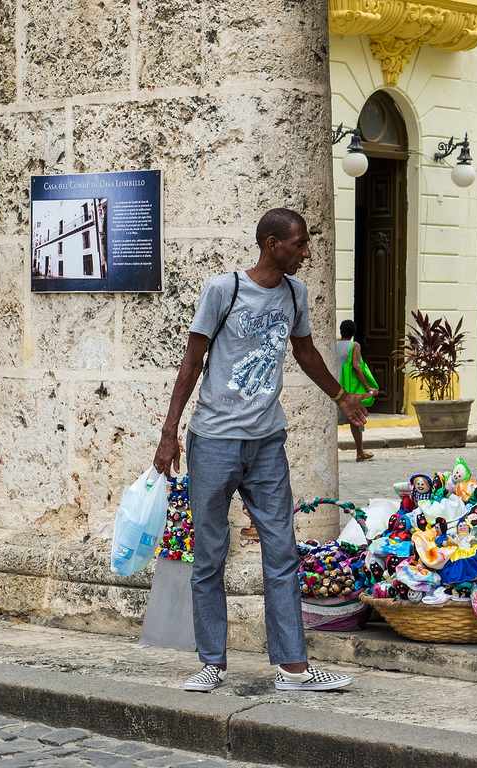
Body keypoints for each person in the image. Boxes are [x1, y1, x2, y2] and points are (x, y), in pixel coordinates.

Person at [153, 208, 367, 693]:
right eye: (299, 244)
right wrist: (169, 432)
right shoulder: (222, 290)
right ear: (273, 244)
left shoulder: (295, 293)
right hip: (213, 441)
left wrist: (342, 398)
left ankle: (293, 669)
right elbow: (192, 360)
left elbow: (306, 352)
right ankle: (213, 662)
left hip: (267, 442)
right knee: (209, 554)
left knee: (282, 552)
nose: (307, 252)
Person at [337, 320, 378, 462]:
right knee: (356, 419)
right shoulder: (354, 345)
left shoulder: (333, 344)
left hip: (334, 386)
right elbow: (356, 366)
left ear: (341, 330)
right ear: (353, 332)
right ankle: (360, 452)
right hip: (349, 387)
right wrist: (367, 387)